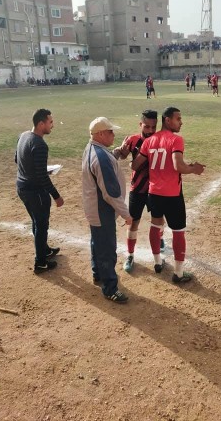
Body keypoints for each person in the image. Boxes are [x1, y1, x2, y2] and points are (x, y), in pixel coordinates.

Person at [132, 106, 205, 284]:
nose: (181, 122)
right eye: (178, 119)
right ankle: (179, 274)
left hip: (154, 193)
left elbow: (134, 165)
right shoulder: (176, 140)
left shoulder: (149, 141)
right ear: (167, 120)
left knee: (155, 226)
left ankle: (157, 263)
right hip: (172, 195)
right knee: (178, 231)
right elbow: (178, 166)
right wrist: (194, 169)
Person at [82, 117, 132, 303]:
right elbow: (110, 194)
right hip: (102, 210)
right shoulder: (100, 157)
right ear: (101, 134)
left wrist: (118, 152)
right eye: (110, 132)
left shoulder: (93, 148)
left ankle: (98, 274)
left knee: (97, 242)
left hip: (94, 208)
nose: (113, 134)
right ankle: (110, 288)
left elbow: (106, 159)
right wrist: (127, 215)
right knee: (107, 249)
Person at [15, 109, 64, 274]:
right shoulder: (40, 144)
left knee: (36, 222)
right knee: (41, 225)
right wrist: (56, 196)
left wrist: (37, 171)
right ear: (41, 123)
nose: (52, 125)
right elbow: (42, 177)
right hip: (35, 192)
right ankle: (40, 262)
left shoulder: (23, 136)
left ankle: (45, 251)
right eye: (50, 122)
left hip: (22, 188)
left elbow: (18, 160)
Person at [116, 110, 164, 273]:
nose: (150, 130)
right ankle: (130, 255)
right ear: (140, 124)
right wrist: (122, 150)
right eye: (147, 126)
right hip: (137, 188)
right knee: (133, 222)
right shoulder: (133, 140)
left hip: (156, 189)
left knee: (158, 220)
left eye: (153, 126)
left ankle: (159, 242)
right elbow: (122, 156)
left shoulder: (160, 140)